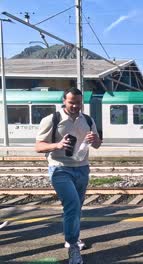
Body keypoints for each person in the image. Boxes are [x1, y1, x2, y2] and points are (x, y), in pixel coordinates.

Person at [35, 88, 101, 264]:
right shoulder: (52, 119)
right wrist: (57, 145)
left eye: (78, 102)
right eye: (72, 102)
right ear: (64, 100)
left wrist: (95, 140)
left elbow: (98, 145)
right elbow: (39, 146)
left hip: (82, 168)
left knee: (76, 207)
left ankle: (71, 237)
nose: (75, 106)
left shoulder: (87, 119)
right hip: (60, 168)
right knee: (72, 204)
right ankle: (73, 247)